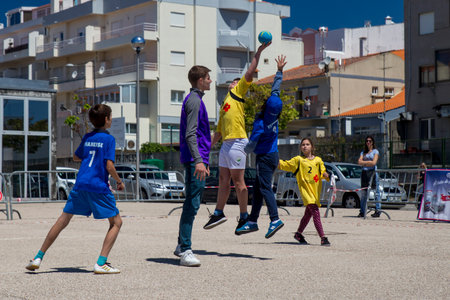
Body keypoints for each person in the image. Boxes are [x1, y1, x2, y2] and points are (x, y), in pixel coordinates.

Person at [26, 104, 125, 274]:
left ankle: (38, 257)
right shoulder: (109, 139)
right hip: (97, 186)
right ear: (107, 119)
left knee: (63, 219)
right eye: (110, 117)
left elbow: (76, 156)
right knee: (116, 222)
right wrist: (119, 181)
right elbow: (109, 165)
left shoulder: (87, 136)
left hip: (80, 184)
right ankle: (101, 263)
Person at [203, 42, 271, 234]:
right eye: (234, 82)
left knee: (238, 181)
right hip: (226, 144)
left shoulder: (238, 92)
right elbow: (218, 132)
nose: (234, 82)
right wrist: (206, 148)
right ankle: (218, 213)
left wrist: (258, 52)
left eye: (236, 81)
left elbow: (249, 72)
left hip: (238, 142)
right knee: (223, 180)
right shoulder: (224, 103)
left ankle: (244, 217)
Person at [235, 55, 287, 238]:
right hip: (273, 156)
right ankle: (252, 221)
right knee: (258, 188)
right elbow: (276, 89)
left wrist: (243, 150)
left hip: (264, 158)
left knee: (265, 188)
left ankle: (275, 219)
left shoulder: (260, 124)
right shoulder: (274, 114)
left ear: (265, 105)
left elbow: (252, 144)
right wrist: (279, 71)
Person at [174, 65, 212, 267]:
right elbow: (191, 133)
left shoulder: (194, 99)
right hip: (195, 160)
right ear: (200, 80)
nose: (210, 81)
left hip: (197, 158)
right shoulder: (195, 101)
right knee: (192, 204)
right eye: (207, 78)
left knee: (192, 202)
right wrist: (198, 160)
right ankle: (186, 250)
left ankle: (182, 245)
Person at [278, 138, 331, 246]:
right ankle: (323, 237)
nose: (305, 146)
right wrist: (272, 159)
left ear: (312, 146)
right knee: (315, 213)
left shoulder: (318, 160)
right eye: (303, 145)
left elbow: (323, 171)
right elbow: (285, 165)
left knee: (308, 214)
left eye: (307, 144)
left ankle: (298, 234)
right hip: (306, 192)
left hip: (315, 192)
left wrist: (326, 175)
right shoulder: (298, 160)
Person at [357, 136, 381, 218]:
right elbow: (359, 162)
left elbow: (374, 163)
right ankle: (362, 211)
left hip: (373, 173)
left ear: (372, 142)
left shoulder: (375, 151)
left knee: (376, 192)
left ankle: (378, 210)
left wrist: (364, 162)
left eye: (370, 141)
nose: (368, 142)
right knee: (363, 193)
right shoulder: (363, 152)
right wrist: (368, 162)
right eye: (367, 141)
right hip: (364, 173)